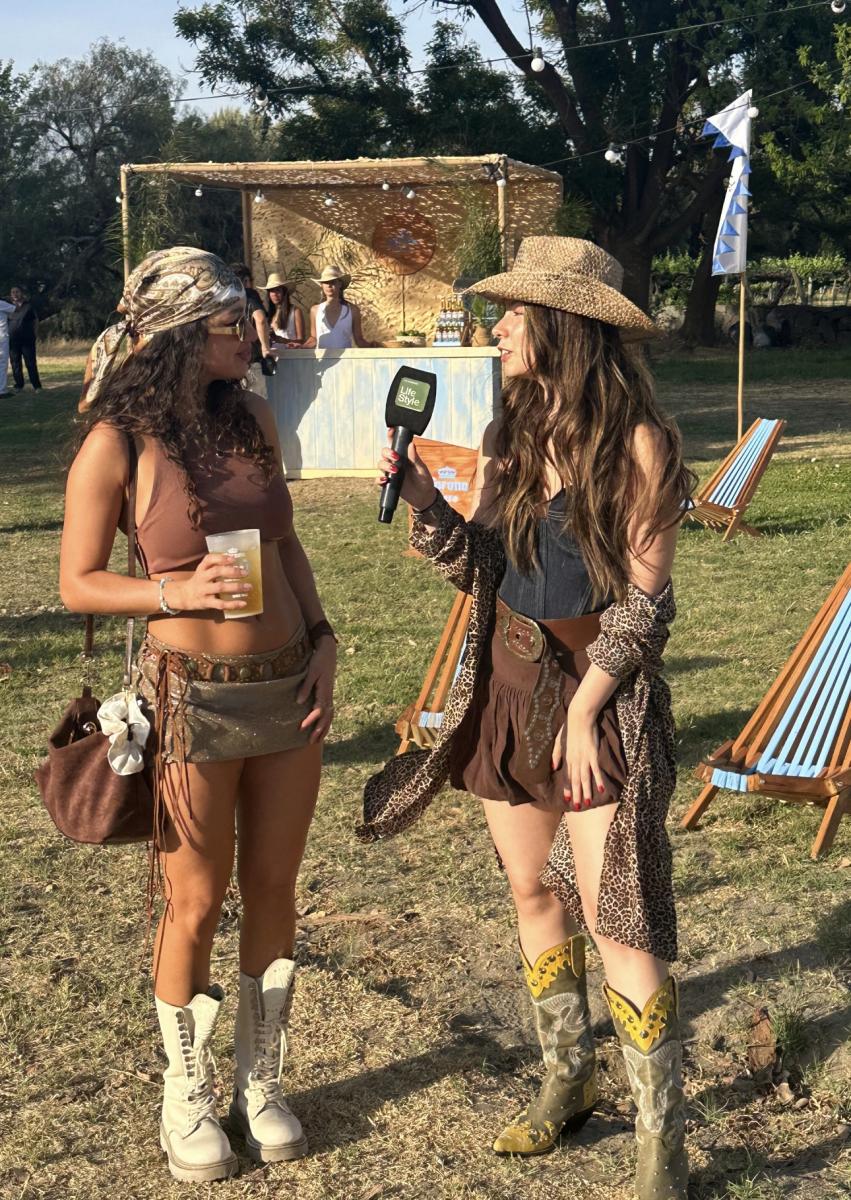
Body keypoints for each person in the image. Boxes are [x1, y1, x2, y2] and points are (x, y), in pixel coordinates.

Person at [361, 238, 696, 1200]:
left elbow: (643, 607)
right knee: (532, 893)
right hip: (507, 687)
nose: (498, 327)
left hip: (599, 695)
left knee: (617, 918)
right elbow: (484, 566)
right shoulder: (509, 431)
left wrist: (588, 710)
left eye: (512, 313)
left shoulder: (640, 444)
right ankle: (567, 1078)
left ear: (560, 327)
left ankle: (658, 1151)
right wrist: (425, 501)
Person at [60, 247, 337, 1183]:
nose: (253, 336)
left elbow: (284, 541)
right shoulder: (119, 443)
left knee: (274, 888)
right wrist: (170, 593)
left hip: (289, 684)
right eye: (233, 324)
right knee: (194, 899)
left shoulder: (253, 417)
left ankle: (260, 1085)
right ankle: (186, 1095)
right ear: (183, 337)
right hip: (192, 701)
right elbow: (78, 582)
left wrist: (326, 639)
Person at [302, 265, 377, 348]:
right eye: (326, 282)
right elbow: (314, 338)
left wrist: (374, 346)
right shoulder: (315, 310)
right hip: (322, 359)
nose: (329, 285)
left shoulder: (352, 310)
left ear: (340, 284)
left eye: (333, 281)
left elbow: (359, 340)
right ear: (321, 285)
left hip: (345, 360)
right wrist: (303, 346)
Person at [230, 263, 278, 385]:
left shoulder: (228, 299)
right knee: (255, 399)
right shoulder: (249, 294)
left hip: (232, 362)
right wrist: (265, 348)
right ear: (246, 281)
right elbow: (260, 319)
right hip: (251, 359)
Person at [9, 287, 42, 391]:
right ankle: (19, 385)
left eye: (17, 292)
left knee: (31, 363)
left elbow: (36, 320)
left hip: (27, 339)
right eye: (13, 292)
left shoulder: (29, 306)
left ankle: (37, 386)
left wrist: (35, 334)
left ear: (21, 293)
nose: (15, 294)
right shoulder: (8, 307)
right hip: (13, 340)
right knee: (15, 363)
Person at [262, 272, 305, 346]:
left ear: (284, 292)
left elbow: (301, 342)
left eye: (278, 290)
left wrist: (281, 340)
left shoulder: (295, 311)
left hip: (289, 355)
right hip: (272, 355)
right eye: (271, 290)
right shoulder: (268, 314)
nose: (274, 294)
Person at [0, 295, 15, 397]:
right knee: (2, 363)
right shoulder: (1, 304)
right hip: (1, 337)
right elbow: (15, 309)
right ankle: (2, 390)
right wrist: (10, 300)